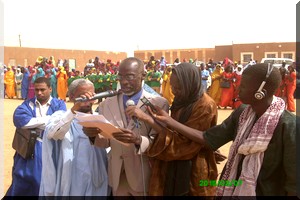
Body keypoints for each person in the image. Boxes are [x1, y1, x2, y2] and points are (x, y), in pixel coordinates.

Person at [145, 63, 296, 196]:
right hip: (234, 187)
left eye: (243, 86)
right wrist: (168, 121)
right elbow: (209, 138)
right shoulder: (242, 114)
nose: (237, 90)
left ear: (260, 92)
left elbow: (294, 183)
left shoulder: (289, 126)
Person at [124, 62, 219, 196]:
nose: (174, 91)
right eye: (172, 85)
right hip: (171, 165)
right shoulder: (182, 100)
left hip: (194, 168)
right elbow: (171, 135)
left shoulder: (205, 105)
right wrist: (152, 119)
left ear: (190, 84)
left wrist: (157, 120)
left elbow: (185, 143)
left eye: (178, 87)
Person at [83, 57, 169, 197]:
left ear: (143, 76)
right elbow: (106, 141)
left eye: (129, 76)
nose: (123, 81)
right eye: (120, 76)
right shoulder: (106, 104)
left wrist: (138, 140)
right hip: (117, 175)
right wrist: (92, 135)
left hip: (143, 175)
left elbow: (162, 141)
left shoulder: (158, 103)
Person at [39, 78, 109, 196]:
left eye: (91, 96)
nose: (88, 100)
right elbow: (54, 133)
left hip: (98, 179)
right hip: (72, 180)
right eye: (83, 96)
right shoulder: (62, 116)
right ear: (71, 97)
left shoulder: (100, 118)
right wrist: (74, 110)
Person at [5, 77, 67, 196]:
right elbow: (21, 121)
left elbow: (61, 123)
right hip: (30, 150)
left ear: (50, 89)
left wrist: (35, 122)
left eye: (42, 89)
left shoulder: (59, 104)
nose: (39, 92)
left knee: (50, 184)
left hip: (53, 149)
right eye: (37, 90)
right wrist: (50, 121)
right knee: (23, 181)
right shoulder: (27, 104)